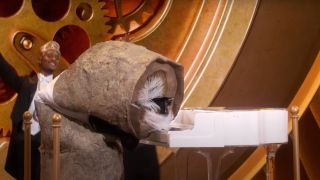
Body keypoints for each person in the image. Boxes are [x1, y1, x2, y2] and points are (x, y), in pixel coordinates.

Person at [0, 41, 61, 180]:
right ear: (40, 59)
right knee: (21, 173)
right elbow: (8, 73)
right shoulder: (27, 83)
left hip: (44, 141)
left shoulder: (60, 90)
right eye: (50, 55)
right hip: (22, 138)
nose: (54, 58)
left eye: (57, 56)